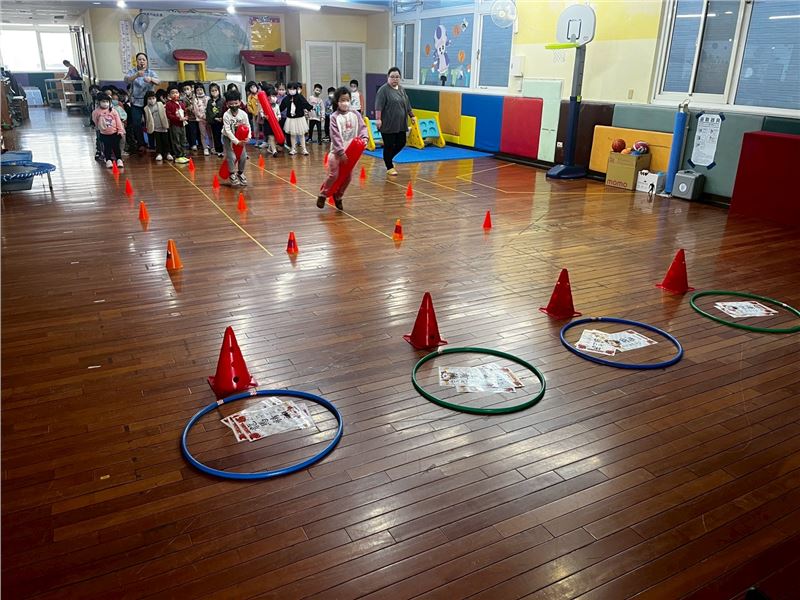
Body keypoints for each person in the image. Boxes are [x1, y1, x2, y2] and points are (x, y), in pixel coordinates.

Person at [316, 86, 367, 211]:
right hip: (336, 153)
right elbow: (335, 135)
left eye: (347, 100)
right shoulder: (334, 117)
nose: (345, 103)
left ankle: (338, 196)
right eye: (342, 100)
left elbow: (362, 128)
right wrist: (340, 151)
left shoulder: (355, 114)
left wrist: (364, 138)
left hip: (351, 153)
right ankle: (323, 194)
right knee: (334, 175)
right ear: (337, 101)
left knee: (348, 177)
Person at [374, 67, 416, 177]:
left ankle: (387, 158)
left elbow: (407, 104)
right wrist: (378, 119)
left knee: (401, 142)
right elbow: (378, 106)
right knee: (389, 145)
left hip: (401, 123)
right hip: (388, 123)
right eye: (392, 77)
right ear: (388, 77)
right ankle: (389, 167)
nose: (395, 79)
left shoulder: (401, 89)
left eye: (397, 77)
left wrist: (412, 115)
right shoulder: (383, 90)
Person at [124, 52, 160, 152]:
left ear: (147, 62)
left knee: (150, 122)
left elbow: (158, 82)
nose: (142, 61)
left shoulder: (151, 72)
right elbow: (126, 80)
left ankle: (152, 144)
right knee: (136, 123)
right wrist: (136, 75)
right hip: (136, 102)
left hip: (149, 102)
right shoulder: (132, 71)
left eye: (144, 59)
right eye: (139, 59)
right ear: (136, 61)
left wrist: (151, 79)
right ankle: (141, 143)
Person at [222, 89, 251, 186]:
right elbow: (228, 131)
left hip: (241, 138)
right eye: (231, 104)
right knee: (232, 156)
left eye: (236, 103)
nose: (234, 105)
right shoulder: (226, 115)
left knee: (243, 156)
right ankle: (232, 174)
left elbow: (248, 126)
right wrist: (236, 142)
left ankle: (240, 173)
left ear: (240, 102)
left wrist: (248, 137)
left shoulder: (243, 114)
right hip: (228, 138)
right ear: (227, 104)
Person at [92, 92, 125, 169]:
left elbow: (118, 121)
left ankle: (119, 159)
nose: (105, 103)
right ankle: (108, 160)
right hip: (104, 134)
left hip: (114, 133)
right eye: (103, 101)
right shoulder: (96, 112)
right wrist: (100, 126)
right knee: (107, 147)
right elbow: (95, 121)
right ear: (99, 102)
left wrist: (120, 130)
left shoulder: (113, 111)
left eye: (107, 101)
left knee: (116, 147)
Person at [280, 81, 312, 156]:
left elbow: (305, 104)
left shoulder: (300, 97)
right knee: (292, 134)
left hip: (300, 118)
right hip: (290, 119)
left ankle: (304, 149)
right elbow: (281, 107)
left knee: (301, 134)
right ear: (288, 89)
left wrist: (310, 108)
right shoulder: (286, 98)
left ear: (296, 89)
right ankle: (293, 149)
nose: (292, 90)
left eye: (293, 89)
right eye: (290, 89)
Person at [165, 85, 190, 164]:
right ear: (169, 95)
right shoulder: (169, 104)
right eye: (173, 93)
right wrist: (178, 118)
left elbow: (185, 112)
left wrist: (186, 117)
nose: (175, 94)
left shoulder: (181, 104)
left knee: (183, 139)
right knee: (176, 140)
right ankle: (178, 156)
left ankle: (183, 154)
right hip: (175, 125)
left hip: (182, 124)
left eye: (176, 92)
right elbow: (169, 115)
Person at [143, 91, 169, 161]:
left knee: (165, 140)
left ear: (156, 98)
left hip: (163, 125)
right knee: (158, 141)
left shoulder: (160, 104)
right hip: (155, 127)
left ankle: (167, 153)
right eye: (150, 98)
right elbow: (147, 119)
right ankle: (159, 153)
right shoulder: (146, 108)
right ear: (147, 99)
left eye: (153, 98)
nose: (152, 100)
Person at [260, 85, 282, 157]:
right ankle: (274, 151)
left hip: (276, 123)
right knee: (271, 136)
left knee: (275, 137)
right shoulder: (265, 105)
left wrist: (278, 117)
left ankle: (270, 148)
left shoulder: (277, 106)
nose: (274, 97)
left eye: (275, 96)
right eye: (272, 96)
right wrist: (264, 116)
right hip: (268, 123)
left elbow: (279, 114)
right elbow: (261, 112)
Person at [205, 83, 225, 157]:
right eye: (212, 91)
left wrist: (222, 117)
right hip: (214, 122)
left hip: (223, 121)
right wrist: (215, 118)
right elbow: (209, 111)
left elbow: (225, 109)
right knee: (216, 136)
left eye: (216, 90)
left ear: (219, 91)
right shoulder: (210, 101)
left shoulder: (223, 100)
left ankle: (229, 149)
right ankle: (219, 150)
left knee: (226, 135)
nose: (214, 92)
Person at [192, 83, 211, 156]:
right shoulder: (195, 100)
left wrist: (208, 116)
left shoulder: (208, 98)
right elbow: (196, 110)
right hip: (201, 120)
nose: (199, 91)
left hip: (208, 119)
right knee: (203, 134)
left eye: (201, 89)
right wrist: (201, 116)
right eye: (198, 90)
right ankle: (205, 148)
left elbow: (210, 108)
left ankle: (212, 147)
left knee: (210, 134)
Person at [245, 81, 261, 145]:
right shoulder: (249, 97)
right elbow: (249, 107)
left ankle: (266, 141)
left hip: (262, 114)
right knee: (256, 128)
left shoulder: (260, 94)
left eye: (254, 86)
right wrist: (254, 113)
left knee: (264, 128)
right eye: (251, 87)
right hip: (255, 115)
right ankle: (257, 141)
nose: (253, 88)